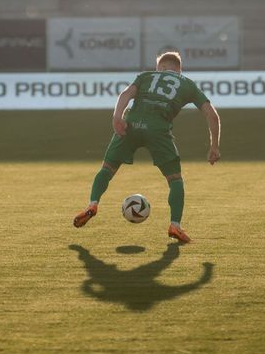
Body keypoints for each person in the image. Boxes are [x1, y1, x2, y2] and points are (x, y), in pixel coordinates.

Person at [73, 52, 221, 244]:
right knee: (175, 180)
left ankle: (93, 204)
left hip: (131, 125)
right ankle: (175, 225)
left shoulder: (146, 76)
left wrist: (117, 118)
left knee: (107, 169)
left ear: (161, 67)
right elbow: (212, 115)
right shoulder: (187, 84)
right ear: (178, 69)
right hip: (158, 130)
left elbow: (125, 94)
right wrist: (214, 146)